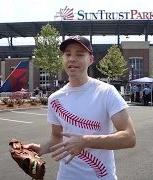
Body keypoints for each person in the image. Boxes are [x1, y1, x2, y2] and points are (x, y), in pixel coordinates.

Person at [23, 35, 136, 180]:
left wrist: (87, 141)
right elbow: (57, 137)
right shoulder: (55, 99)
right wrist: (41, 148)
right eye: (67, 54)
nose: (72, 59)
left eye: (79, 54)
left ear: (90, 60)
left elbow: (129, 137)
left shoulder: (106, 92)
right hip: (66, 176)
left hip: (101, 176)